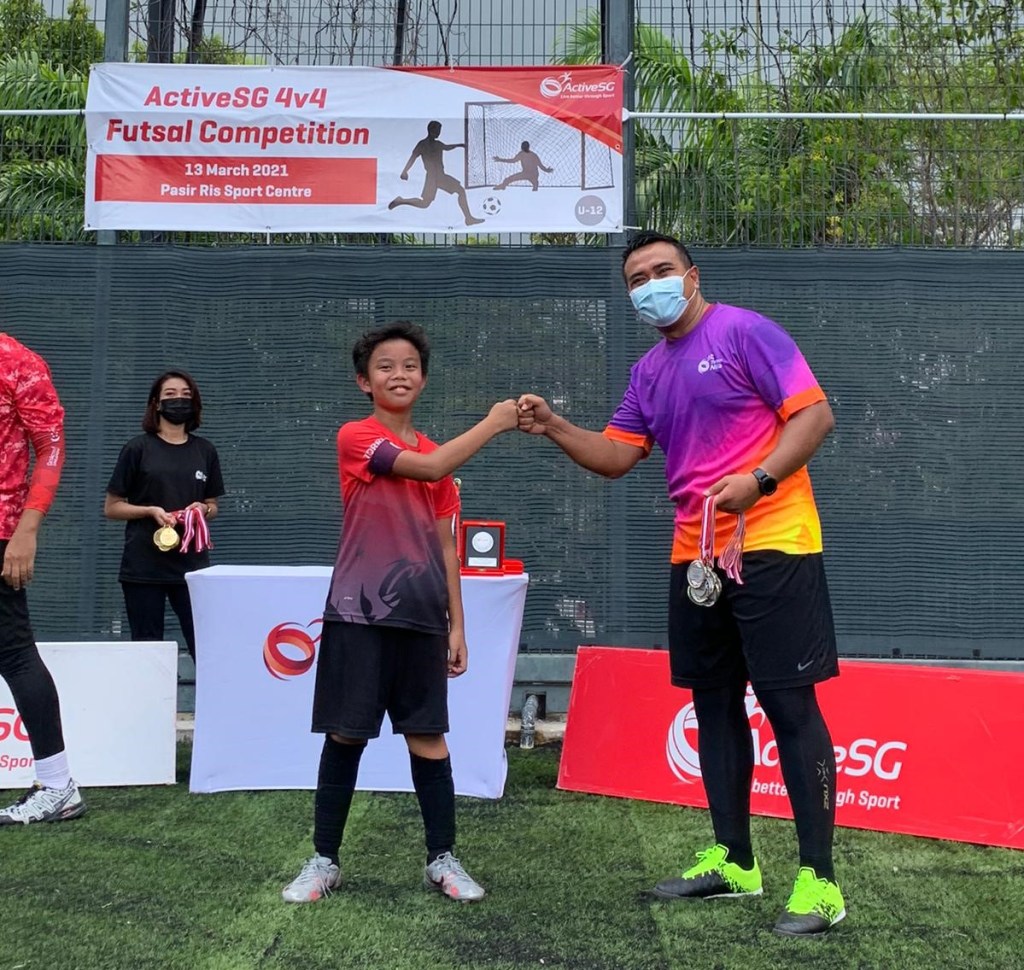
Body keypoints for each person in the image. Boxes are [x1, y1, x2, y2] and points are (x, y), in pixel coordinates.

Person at [517, 231, 844, 938]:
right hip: (694, 556)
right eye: (637, 279)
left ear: (693, 276)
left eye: (662, 270)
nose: (651, 285)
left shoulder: (746, 333)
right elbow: (616, 455)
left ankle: (820, 882)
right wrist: (555, 426)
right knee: (714, 704)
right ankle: (735, 862)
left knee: (789, 706)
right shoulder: (648, 372)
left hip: (775, 543)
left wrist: (759, 480)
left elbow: (815, 415)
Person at [282, 321, 518, 905]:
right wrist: (494, 421)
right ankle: (324, 860)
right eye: (385, 366)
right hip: (356, 614)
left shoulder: (438, 455)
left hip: (421, 618)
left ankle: (442, 859)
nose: (399, 374)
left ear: (424, 379)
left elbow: (447, 547)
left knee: (429, 738)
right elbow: (430, 468)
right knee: (345, 736)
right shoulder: (357, 437)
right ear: (364, 382)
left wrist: (457, 624)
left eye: (410, 366)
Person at [0, 333, 85, 825]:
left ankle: (57, 785)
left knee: (13, 652)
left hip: (2, 530)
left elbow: (50, 447)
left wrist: (26, 529)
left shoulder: (16, 362)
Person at [104, 370, 224, 663]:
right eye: (170, 394)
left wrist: (203, 510)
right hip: (144, 565)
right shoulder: (137, 448)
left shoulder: (205, 450)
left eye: (186, 394)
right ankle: (147, 695)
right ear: (156, 403)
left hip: (192, 567)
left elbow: (212, 505)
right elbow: (112, 507)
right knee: (147, 651)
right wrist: (149, 511)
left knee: (204, 646)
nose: (179, 400)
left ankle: (211, 694)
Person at [388, 121, 485, 226]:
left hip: (439, 176)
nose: (439, 133)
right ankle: (401, 201)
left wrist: (460, 145)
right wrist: (405, 171)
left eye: (439, 131)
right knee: (425, 203)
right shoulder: (422, 144)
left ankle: (468, 218)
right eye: (437, 131)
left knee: (459, 191)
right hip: (433, 177)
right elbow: (413, 157)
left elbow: (447, 147)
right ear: (431, 130)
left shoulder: (437, 144)